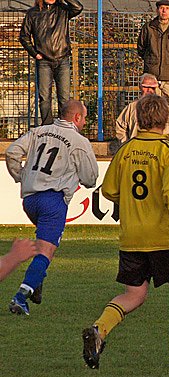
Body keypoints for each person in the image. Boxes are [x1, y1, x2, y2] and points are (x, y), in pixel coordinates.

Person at [82, 94, 169, 369]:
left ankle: (99, 329)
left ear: (138, 118)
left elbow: (108, 190)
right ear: (166, 118)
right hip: (163, 236)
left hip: (131, 236)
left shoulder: (126, 150)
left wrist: (131, 203)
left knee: (134, 295)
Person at [5, 99, 98, 315]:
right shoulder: (79, 141)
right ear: (76, 117)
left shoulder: (39, 131)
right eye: (84, 118)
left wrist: (21, 176)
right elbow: (90, 178)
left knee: (45, 246)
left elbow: (11, 152)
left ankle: (36, 283)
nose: (85, 122)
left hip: (30, 200)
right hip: (52, 201)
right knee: (46, 251)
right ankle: (21, 296)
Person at [19, 0, 83, 126]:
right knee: (44, 98)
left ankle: (64, 127)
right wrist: (35, 54)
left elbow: (78, 7)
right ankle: (47, 127)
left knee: (64, 98)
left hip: (62, 59)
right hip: (44, 61)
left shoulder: (63, 10)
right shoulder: (33, 13)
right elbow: (24, 36)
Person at [137, 0, 169, 138]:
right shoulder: (148, 27)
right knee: (152, 104)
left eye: (167, 8)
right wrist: (150, 61)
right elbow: (141, 47)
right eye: (161, 8)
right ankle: (156, 133)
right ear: (157, 10)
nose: (164, 11)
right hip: (152, 74)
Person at [115, 73, 162, 143]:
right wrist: (125, 143)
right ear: (140, 87)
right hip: (135, 147)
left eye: (152, 87)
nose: (149, 90)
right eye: (145, 87)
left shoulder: (162, 107)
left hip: (157, 146)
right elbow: (120, 126)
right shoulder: (132, 107)